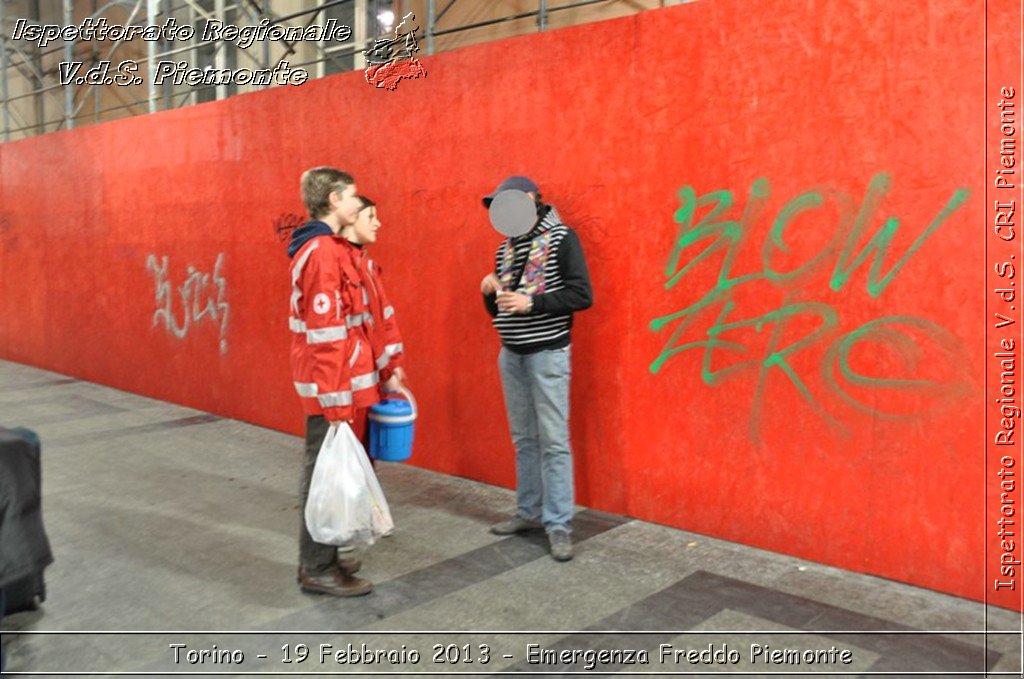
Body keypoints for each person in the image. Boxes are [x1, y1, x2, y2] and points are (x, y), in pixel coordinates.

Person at [287, 168, 405, 597]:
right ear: (335, 200)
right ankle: (317, 567)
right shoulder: (320, 252)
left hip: (340, 385)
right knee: (323, 474)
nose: (360, 204)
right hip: (329, 390)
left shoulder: (332, 249)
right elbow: (326, 335)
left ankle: (327, 558)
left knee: (333, 474)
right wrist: (337, 403)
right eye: (353, 196)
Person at [480, 176, 593, 561]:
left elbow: (582, 294)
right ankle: (529, 513)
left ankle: (559, 523)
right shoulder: (506, 248)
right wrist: (489, 295)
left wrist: (534, 305)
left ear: (530, 200)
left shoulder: (562, 238)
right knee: (524, 439)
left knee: (554, 441)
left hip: (548, 352)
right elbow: (502, 312)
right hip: (511, 353)